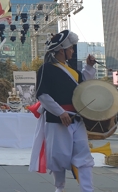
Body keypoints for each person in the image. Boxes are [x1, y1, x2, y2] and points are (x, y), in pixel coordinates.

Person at [29, 30, 96, 192]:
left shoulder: (73, 71)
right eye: (71, 48)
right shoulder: (46, 69)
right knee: (58, 157)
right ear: (61, 50)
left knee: (84, 156)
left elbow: (85, 88)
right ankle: (59, 188)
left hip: (77, 119)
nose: (72, 51)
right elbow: (43, 94)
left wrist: (89, 66)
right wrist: (60, 112)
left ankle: (88, 189)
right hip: (57, 120)